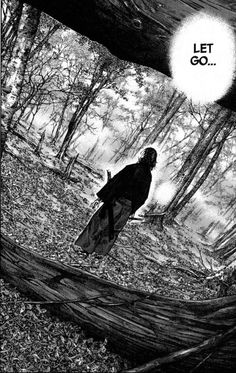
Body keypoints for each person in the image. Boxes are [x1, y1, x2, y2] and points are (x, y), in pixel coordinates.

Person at [74, 147, 157, 256]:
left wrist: (102, 198)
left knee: (98, 224)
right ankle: (99, 253)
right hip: (127, 207)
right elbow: (143, 197)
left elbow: (114, 184)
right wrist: (132, 209)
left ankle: (84, 248)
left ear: (142, 156)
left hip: (115, 202)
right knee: (112, 230)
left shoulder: (131, 168)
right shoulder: (148, 176)